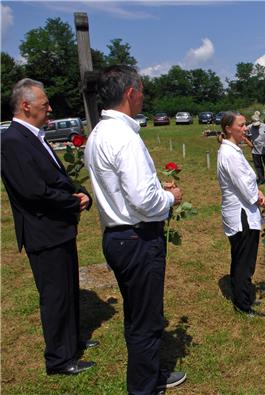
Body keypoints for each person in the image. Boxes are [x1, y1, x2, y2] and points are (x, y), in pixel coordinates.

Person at [85, 65, 186, 394]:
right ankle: (144, 387)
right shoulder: (124, 137)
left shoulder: (99, 133)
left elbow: (124, 188)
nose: (144, 96)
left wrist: (157, 187)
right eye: (141, 90)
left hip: (118, 236)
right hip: (138, 238)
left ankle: (151, 374)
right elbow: (143, 200)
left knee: (138, 314)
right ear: (130, 93)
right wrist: (169, 197)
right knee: (146, 320)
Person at [1, 78, 96, 376]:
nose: (50, 108)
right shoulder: (12, 141)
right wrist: (73, 202)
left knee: (68, 288)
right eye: (45, 104)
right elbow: (33, 191)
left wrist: (80, 191)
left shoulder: (34, 136)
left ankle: (72, 341)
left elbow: (55, 177)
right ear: (26, 105)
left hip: (58, 229)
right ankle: (59, 358)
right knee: (55, 295)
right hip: (43, 232)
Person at [217, 111, 265, 317]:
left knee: (242, 258)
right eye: (241, 125)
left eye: (245, 124)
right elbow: (242, 185)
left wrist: (258, 192)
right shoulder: (229, 154)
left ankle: (244, 296)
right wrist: (260, 200)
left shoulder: (233, 150)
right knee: (243, 261)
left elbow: (247, 181)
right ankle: (243, 304)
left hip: (243, 210)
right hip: (241, 215)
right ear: (228, 128)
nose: (245, 128)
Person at [246, 111, 265, 185]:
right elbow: (246, 136)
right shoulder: (249, 127)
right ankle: (261, 179)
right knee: (258, 166)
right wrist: (249, 144)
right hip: (255, 151)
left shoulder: (264, 126)